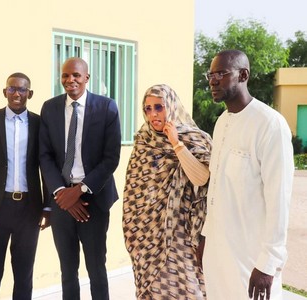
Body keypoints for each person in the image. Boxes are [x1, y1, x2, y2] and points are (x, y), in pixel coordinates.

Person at [198, 49, 294, 300]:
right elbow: (217, 187)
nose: (213, 80)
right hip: (219, 253)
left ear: (243, 75)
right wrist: (206, 236)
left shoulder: (269, 124)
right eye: (211, 74)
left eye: (221, 73)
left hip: (251, 258)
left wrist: (268, 263)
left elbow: (279, 199)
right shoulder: (221, 123)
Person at [39, 57, 121, 300]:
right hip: (61, 199)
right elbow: (44, 156)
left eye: (75, 75)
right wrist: (62, 193)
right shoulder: (50, 107)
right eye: (65, 75)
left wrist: (80, 190)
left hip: (94, 201)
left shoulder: (107, 107)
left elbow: (111, 158)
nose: (70, 80)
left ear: (87, 77)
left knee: (96, 269)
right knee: (67, 270)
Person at [123, 84, 212, 299]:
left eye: (159, 107)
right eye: (148, 109)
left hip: (182, 227)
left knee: (186, 285)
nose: (153, 114)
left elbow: (201, 178)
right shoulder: (144, 140)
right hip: (148, 231)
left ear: (171, 106)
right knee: (155, 289)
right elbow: (135, 189)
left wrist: (176, 143)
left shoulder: (195, 138)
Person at [0, 72, 50, 300]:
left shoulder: (39, 123)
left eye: (22, 89)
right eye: (12, 88)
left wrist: (48, 206)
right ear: (4, 92)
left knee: (24, 273)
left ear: (29, 94)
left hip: (29, 208)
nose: (16, 93)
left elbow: (47, 165)